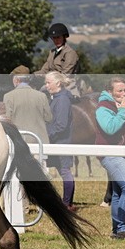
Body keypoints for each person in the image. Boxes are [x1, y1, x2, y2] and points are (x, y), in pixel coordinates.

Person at [95, 77, 125, 239]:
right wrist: (123, 110)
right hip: (110, 153)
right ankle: (123, 227)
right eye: (119, 91)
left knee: (119, 191)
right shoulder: (103, 108)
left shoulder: (120, 105)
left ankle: (118, 229)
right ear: (109, 92)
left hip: (123, 153)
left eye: (124, 90)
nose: (123, 93)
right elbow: (110, 128)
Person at [44, 71, 76, 211]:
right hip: (57, 140)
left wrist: (48, 136)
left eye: (48, 82)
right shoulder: (57, 98)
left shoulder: (62, 99)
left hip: (61, 141)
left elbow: (61, 125)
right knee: (62, 170)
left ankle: (67, 204)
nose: (46, 86)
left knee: (64, 171)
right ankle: (67, 202)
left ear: (58, 83)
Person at [4, 65, 52, 144]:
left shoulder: (8, 96)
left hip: (19, 141)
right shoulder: (42, 96)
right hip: (40, 141)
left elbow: (7, 120)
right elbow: (49, 118)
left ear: (17, 80)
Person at [35, 23, 80, 97]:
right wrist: (31, 76)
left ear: (64, 37)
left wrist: (51, 81)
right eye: (54, 38)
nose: (56, 40)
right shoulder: (52, 52)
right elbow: (44, 70)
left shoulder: (70, 53)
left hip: (66, 86)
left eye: (58, 37)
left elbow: (65, 74)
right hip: (53, 85)